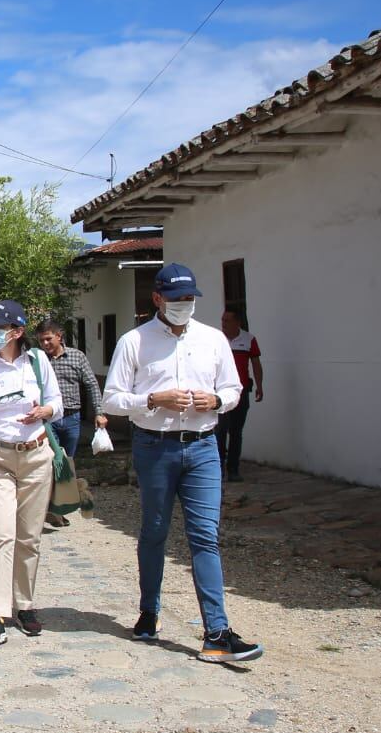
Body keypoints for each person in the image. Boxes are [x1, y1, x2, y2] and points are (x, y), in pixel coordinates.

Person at [103, 264, 263, 664]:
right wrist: (152, 399)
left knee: (205, 536)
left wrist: (217, 401)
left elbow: (233, 388)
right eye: (176, 299)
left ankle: (217, 632)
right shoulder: (134, 342)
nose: (184, 305)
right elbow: (112, 399)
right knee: (154, 531)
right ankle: (149, 611)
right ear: (158, 298)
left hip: (203, 447)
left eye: (189, 299)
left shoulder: (212, 339)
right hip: (155, 447)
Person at [0, 300, 62, 648]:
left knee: (29, 536)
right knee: (1, 534)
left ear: (16, 332)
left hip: (35, 454)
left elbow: (57, 403)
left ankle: (25, 604)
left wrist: (44, 411)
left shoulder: (38, 361)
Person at [34, 319, 106, 527]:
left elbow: (91, 384)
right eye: (41, 340)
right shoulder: (38, 360)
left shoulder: (77, 356)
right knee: (53, 462)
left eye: (48, 339)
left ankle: (62, 504)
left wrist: (99, 412)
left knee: (67, 465)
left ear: (59, 336)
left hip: (72, 418)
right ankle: (52, 510)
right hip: (47, 420)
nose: (45, 344)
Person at [216, 311, 263, 482]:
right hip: (220, 393)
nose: (223, 323)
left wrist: (259, 385)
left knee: (236, 432)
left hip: (241, 393)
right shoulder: (217, 339)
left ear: (237, 322)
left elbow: (256, 364)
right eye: (222, 320)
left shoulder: (248, 339)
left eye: (227, 320)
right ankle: (218, 469)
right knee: (220, 431)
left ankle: (233, 469)